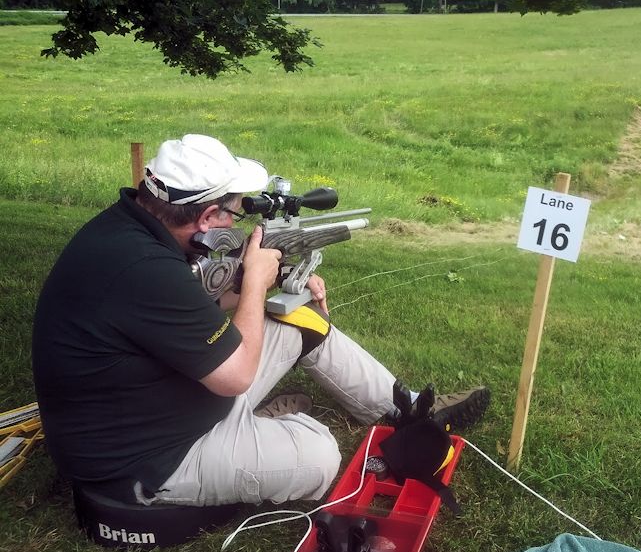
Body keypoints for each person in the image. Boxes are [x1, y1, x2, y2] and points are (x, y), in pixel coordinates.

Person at [32, 134, 490, 507]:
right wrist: (254, 285)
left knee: (299, 321)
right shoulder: (145, 268)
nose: (236, 219)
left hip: (164, 400)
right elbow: (235, 375)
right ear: (207, 217)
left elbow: (186, 311)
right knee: (320, 454)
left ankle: (409, 408)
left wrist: (269, 279)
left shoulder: (128, 232)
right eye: (233, 211)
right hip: (145, 460)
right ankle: (257, 429)